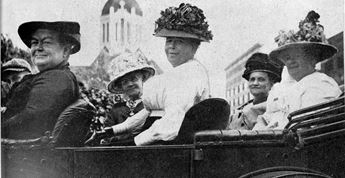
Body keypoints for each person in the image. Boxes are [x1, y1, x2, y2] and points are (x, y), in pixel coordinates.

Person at [87, 3, 214, 146]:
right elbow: (145, 114)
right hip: (159, 142)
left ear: (194, 47)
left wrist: (131, 143)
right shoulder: (178, 72)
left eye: (179, 42)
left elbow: (169, 127)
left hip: (170, 147)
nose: (171, 47)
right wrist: (110, 131)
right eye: (169, 41)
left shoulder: (189, 75)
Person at [253, 11, 342, 130]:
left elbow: (305, 129)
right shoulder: (284, 88)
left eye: (297, 56)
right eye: (287, 57)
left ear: (312, 58)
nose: (290, 62)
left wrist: (270, 131)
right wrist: (262, 126)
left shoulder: (321, 85)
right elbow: (265, 118)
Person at [1, 21, 81, 139]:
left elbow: (32, 118)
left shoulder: (58, 77)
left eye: (47, 42)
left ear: (66, 51)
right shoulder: (48, 75)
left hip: (27, 152)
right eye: (35, 42)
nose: (38, 48)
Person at [227, 53, 283, 130]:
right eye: (252, 79)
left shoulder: (276, 106)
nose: (255, 83)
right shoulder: (243, 109)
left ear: (271, 83)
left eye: (261, 79)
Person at [104, 51, 155, 134]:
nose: (130, 84)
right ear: (121, 86)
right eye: (125, 82)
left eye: (133, 79)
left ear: (142, 79)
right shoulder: (116, 110)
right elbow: (106, 135)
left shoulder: (151, 105)